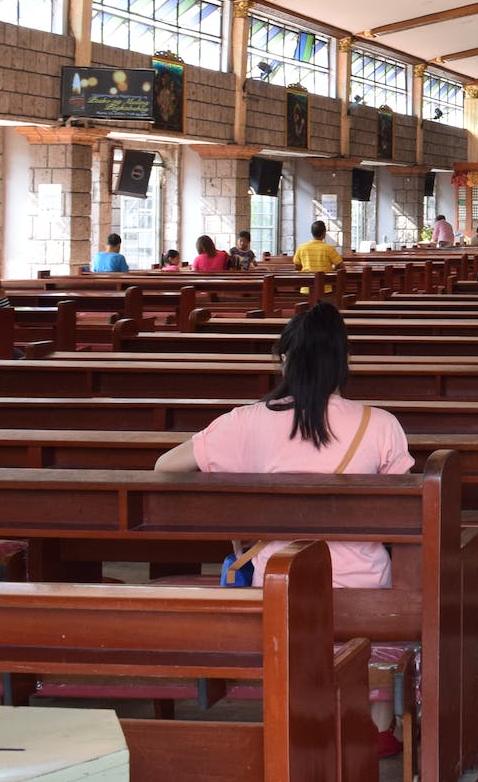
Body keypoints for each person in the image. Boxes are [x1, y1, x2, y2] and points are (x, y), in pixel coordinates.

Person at [152, 302, 412, 747]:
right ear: (342, 363)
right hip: (363, 588)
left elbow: (164, 467)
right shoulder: (381, 425)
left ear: (284, 359)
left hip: (278, 586)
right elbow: (403, 515)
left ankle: (293, 723)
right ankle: (379, 723)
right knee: (385, 600)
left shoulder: (244, 423)